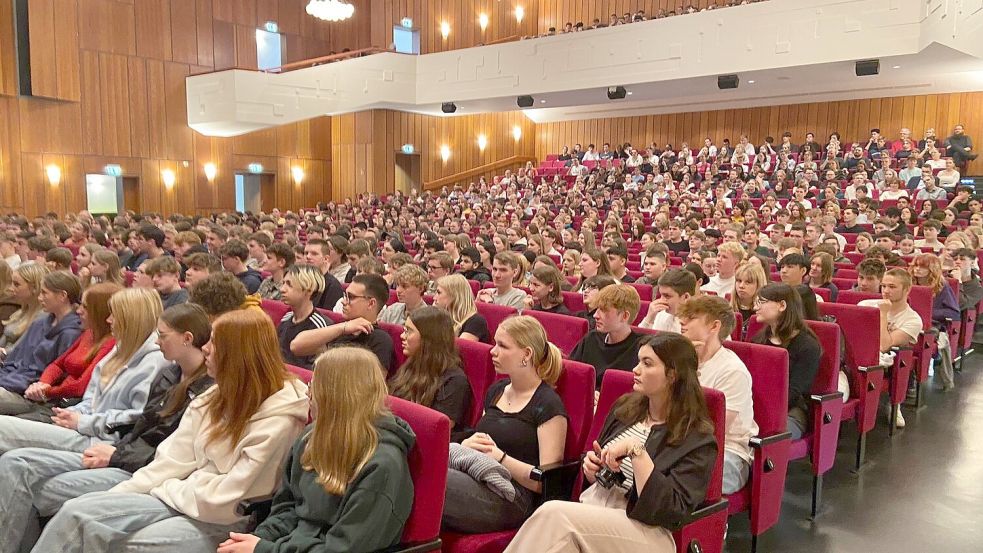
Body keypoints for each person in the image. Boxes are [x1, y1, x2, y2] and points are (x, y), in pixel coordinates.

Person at [31, 308, 309, 553]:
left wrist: (170, 487)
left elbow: (231, 498)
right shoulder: (214, 397)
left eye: (216, 342)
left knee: (122, 541)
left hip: (225, 518)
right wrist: (121, 494)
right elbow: (170, 460)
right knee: (78, 511)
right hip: (184, 495)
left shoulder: (281, 416)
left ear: (239, 354)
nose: (207, 349)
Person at [0, 303, 213, 553]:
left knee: (46, 494)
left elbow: (171, 452)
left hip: (135, 462)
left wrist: (112, 449)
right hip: (117, 447)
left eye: (163, 335)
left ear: (187, 338)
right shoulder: (168, 373)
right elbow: (138, 425)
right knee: (15, 464)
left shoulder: (202, 388)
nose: (109, 320)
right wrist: (83, 419)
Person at [503, 333, 716, 553]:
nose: (636, 369)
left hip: (647, 531)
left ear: (672, 375)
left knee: (554, 515)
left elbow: (671, 511)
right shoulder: (626, 409)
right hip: (597, 508)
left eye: (647, 363)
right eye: (638, 360)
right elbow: (601, 463)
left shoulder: (698, 439)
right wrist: (592, 467)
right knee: (555, 536)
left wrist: (636, 451)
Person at [218, 347, 413, 553]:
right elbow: (288, 508)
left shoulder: (383, 467)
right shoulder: (310, 436)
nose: (307, 392)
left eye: (314, 386)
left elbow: (343, 548)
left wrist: (265, 550)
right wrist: (255, 539)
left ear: (334, 397)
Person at [0, 287, 169, 457]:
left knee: (4, 431)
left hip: (101, 439)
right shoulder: (119, 348)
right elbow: (91, 397)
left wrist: (82, 420)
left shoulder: (155, 361)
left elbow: (135, 418)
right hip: (81, 423)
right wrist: (74, 413)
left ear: (130, 319)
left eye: (114, 315)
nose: (109, 320)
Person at [442, 316, 568, 533]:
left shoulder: (548, 403)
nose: (492, 351)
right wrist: (469, 441)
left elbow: (547, 482)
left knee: (433, 480)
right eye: (494, 343)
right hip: (480, 475)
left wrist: (500, 457)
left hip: (513, 495)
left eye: (502, 345)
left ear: (526, 354)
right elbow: (482, 435)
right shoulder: (497, 390)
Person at [676, 296, 756, 494]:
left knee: (674, 477)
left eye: (691, 317)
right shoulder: (682, 360)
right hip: (682, 441)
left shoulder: (732, 371)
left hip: (726, 451)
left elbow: (713, 429)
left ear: (714, 327)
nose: (682, 322)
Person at [7, 282, 119, 422]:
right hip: (46, 397)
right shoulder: (89, 333)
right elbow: (57, 364)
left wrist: (45, 391)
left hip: (66, 407)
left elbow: (80, 386)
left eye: (85, 307)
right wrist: (42, 384)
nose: (79, 311)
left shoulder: (109, 344)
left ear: (99, 311)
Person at [0, 272, 84, 415]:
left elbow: (53, 378)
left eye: (45, 293)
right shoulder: (40, 323)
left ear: (62, 296)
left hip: (28, 395)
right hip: (10, 380)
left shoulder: (72, 334)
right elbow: (14, 358)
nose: (40, 298)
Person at [751, 283, 822, 440]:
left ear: (782, 305)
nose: (756, 307)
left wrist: (763, 412)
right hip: (756, 405)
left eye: (761, 302)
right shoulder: (758, 339)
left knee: (765, 436)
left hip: (791, 411)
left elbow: (794, 391)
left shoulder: (808, 345)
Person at [390, 306, 472, 439]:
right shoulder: (411, 365)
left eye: (408, 331)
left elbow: (436, 432)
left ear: (428, 339)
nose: (402, 336)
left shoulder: (455, 381)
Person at [291, 274, 396, 373]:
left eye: (351, 297)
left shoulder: (381, 340)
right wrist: (342, 328)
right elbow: (296, 347)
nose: (343, 302)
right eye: (345, 295)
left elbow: (374, 386)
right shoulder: (341, 329)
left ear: (371, 303)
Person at [858, 269, 922, 428]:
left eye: (892, 287)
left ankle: (895, 403)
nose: (886, 291)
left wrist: (883, 314)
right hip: (859, 354)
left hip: (888, 363)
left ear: (907, 289)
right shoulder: (865, 305)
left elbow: (884, 345)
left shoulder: (913, 320)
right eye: (883, 286)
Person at [570, 285, 645, 390]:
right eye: (597, 309)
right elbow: (572, 375)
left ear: (624, 316)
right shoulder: (591, 338)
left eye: (604, 310)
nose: (595, 315)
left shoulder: (641, 348)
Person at [908, 254, 960, 390]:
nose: (917, 269)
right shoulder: (907, 283)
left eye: (923, 267)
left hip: (933, 325)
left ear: (932, 269)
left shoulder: (942, 287)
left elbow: (953, 313)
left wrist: (928, 313)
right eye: (916, 265)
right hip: (908, 321)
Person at [276, 265, 328, 370]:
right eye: (283, 283)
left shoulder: (320, 327)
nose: (282, 289)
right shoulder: (286, 319)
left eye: (289, 285)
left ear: (309, 290)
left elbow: (314, 371)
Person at [0, 263, 48, 352]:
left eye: (16, 284)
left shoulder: (42, 317)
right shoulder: (21, 312)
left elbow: (19, 351)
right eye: (11, 283)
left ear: (34, 287)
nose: (11, 288)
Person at [433, 274, 489, 343]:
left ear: (454, 296)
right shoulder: (444, 318)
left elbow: (459, 351)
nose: (434, 298)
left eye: (439, 293)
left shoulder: (476, 321)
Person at [303, 239, 346, 310]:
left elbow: (329, 317)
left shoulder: (333, 286)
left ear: (326, 259)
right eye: (306, 253)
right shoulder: (300, 281)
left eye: (314, 254)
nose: (308, 256)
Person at [732, 261, 768, 329]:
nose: (741, 286)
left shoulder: (765, 315)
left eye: (748, 282)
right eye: (739, 281)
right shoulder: (726, 309)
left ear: (759, 285)